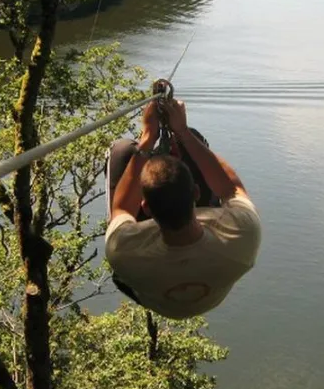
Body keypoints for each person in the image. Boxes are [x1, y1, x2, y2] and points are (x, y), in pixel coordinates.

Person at [105, 99, 261, 319]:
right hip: (210, 293)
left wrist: (148, 138)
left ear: (146, 208)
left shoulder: (122, 251)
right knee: (194, 143)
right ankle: (187, 142)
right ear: (196, 194)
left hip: (151, 289)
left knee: (122, 151)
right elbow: (231, 189)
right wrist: (184, 133)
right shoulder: (243, 235)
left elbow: (122, 209)